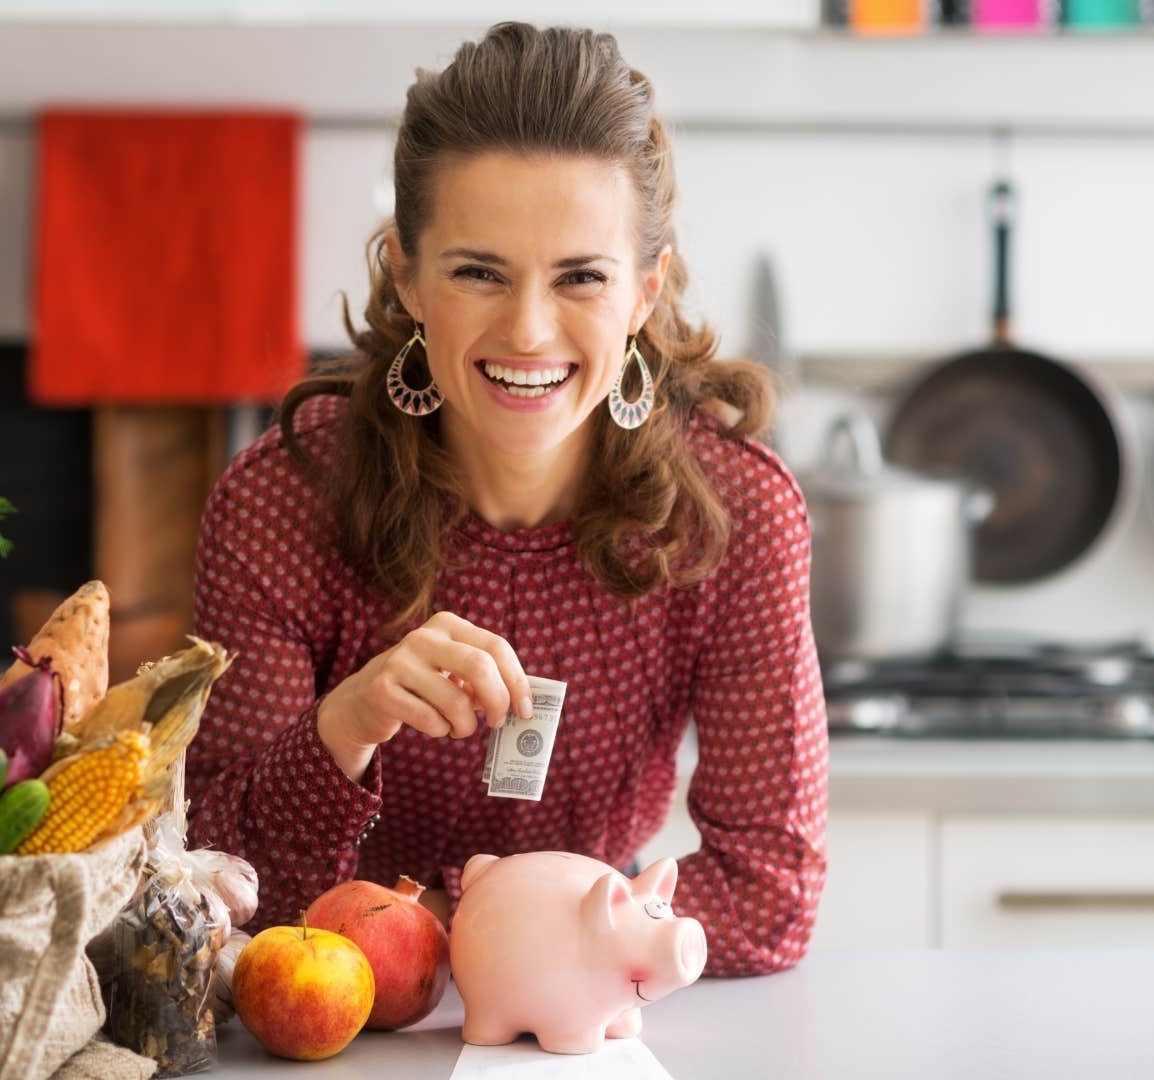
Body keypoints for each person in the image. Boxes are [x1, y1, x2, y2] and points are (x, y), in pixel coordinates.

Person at [184, 21, 827, 977]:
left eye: (581, 279)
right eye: (478, 272)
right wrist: (344, 727)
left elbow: (770, 892)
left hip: (599, 1014)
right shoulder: (284, 501)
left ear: (644, 293)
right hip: (336, 1015)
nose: (528, 331)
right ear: (407, 275)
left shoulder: (731, 513)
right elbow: (212, 882)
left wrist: (487, 934)